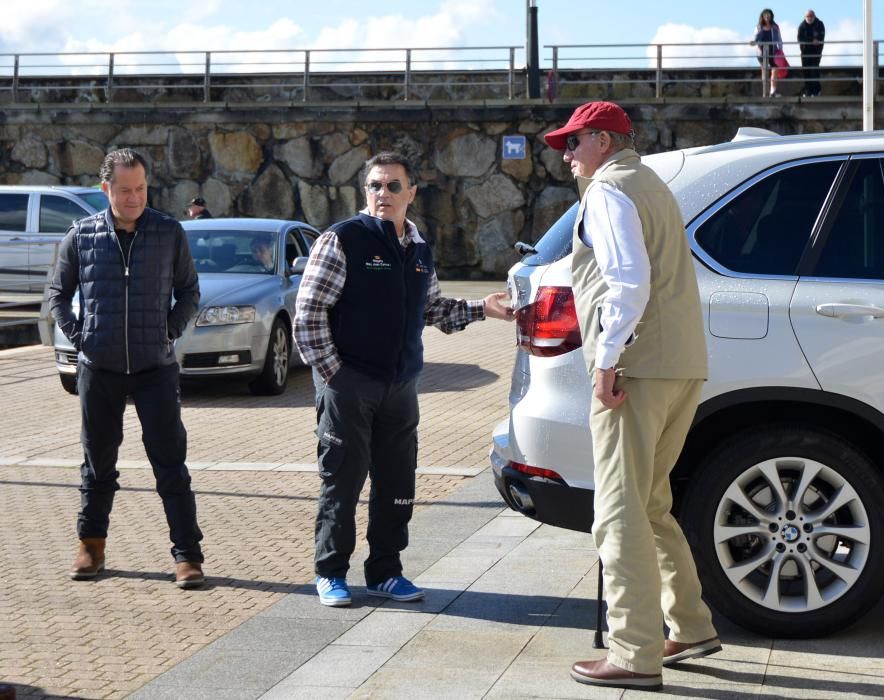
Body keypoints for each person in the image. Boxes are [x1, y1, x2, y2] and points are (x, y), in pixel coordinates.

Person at [542, 102, 720, 691]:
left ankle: (633, 652)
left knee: (618, 510)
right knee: (650, 503)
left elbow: (627, 280)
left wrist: (608, 359)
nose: (566, 155)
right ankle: (690, 624)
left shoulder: (607, 191)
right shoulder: (651, 184)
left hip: (636, 371)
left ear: (602, 140)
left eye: (572, 142)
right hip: (681, 364)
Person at [293, 151, 514, 608]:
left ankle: (385, 573)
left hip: (401, 388)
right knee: (342, 480)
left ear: (411, 193)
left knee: (397, 484)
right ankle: (331, 572)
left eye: (394, 186)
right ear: (365, 192)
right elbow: (308, 316)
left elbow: (432, 309)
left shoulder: (418, 249)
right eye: (375, 185)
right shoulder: (342, 240)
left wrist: (484, 309)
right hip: (349, 386)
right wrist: (336, 377)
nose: (383, 194)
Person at [48, 148, 206, 589]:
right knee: (97, 464)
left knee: (170, 464)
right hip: (100, 369)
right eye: (124, 190)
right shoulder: (81, 236)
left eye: (140, 188)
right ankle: (91, 545)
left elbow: (189, 291)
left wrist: (167, 332)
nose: (134, 197)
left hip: (156, 366)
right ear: (106, 189)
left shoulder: (169, 232)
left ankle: (188, 555)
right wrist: (83, 339)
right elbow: (57, 296)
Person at [750, 8, 784, 97]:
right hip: (761, 52)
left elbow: (779, 39)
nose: (767, 17)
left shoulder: (775, 27)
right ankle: (765, 91)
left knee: (775, 69)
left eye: (769, 15)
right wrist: (753, 42)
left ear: (771, 16)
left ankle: (773, 90)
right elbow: (755, 39)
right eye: (765, 15)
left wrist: (780, 50)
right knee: (764, 70)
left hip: (773, 51)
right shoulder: (758, 27)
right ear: (762, 16)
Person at [798, 9, 826, 97]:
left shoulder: (819, 24)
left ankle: (816, 91)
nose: (809, 18)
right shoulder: (802, 25)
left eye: (811, 16)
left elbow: (822, 36)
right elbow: (799, 38)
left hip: (816, 52)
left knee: (814, 71)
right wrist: (811, 40)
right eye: (807, 16)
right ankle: (808, 92)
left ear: (814, 16)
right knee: (806, 72)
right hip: (805, 52)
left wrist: (817, 41)